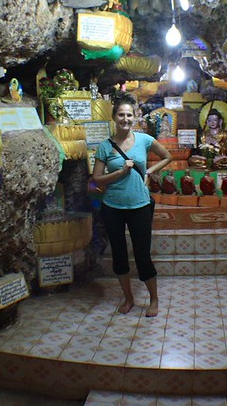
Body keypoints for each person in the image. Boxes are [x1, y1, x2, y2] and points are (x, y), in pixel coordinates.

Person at [92, 92, 172, 317]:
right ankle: (128, 298)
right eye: (121, 115)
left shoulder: (144, 140)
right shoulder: (105, 147)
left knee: (142, 255)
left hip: (139, 205)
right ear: (114, 117)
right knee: (119, 255)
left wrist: (148, 171)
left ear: (135, 116)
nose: (125, 119)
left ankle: (154, 299)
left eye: (129, 115)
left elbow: (167, 157)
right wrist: (120, 172)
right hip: (112, 207)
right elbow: (96, 179)